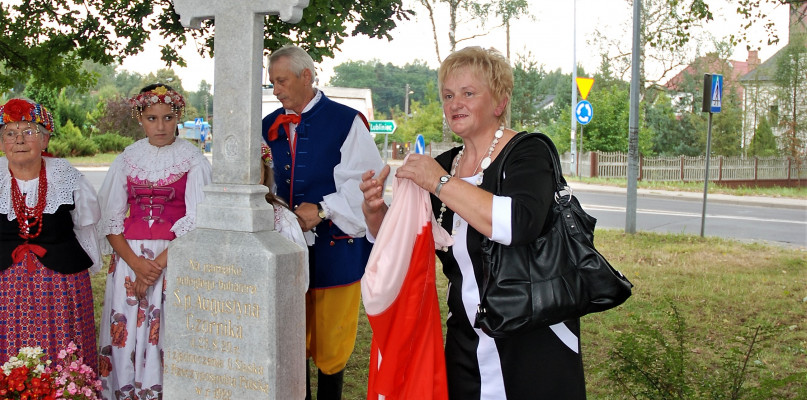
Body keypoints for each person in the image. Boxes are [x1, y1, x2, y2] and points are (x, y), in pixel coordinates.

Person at [361, 46, 587, 399]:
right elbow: (402, 244)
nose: (455, 103)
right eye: (448, 95)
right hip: (465, 339)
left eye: (468, 93)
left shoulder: (529, 152)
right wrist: (376, 213)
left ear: (499, 102)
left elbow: (517, 224)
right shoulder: (446, 163)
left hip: (532, 337)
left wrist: (439, 183)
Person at [261, 44, 384, 400]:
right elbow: (263, 183)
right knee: (291, 338)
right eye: (272, 83)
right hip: (286, 253)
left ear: (307, 76)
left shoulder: (346, 121)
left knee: (332, 347)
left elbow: (367, 186)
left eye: (281, 81)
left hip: (336, 251)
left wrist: (325, 209)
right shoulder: (268, 126)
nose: (277, 90)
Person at [96, 84, 212, 400]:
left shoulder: (193, 159)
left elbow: (198, 220)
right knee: (126, 330)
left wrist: (156, 267)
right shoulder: (127, 158)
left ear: (178, 117)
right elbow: (110, 219)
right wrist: (136, 264)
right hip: (128, 259)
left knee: (165, 332)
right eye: (152, 118)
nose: (160, 126)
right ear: (140, 118)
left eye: (167, 117)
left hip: (174, 258)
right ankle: (124, 391)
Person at [0, 98, 102, 366]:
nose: (19, 140)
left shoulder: (68, 178)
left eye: (29, 132)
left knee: (64, 359)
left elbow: (86, 230)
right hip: (5, 292)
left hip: (61, 289)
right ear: (1, 144)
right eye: (10, 134)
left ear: (45, 141)